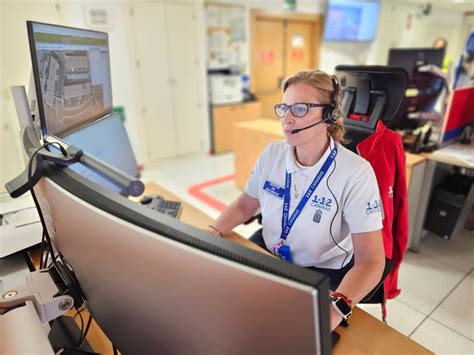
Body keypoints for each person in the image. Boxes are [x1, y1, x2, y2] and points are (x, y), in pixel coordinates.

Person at [207, 69, 385, 330]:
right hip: (270, 251)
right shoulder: (272, 154)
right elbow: (246, 204)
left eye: (300, 109)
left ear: (329, 114)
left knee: (285, 331)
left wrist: (337, 307)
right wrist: (212, 231)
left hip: (322, 269)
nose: (287, 119)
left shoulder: (356, 173)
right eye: (284, 107)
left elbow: (371, 260)